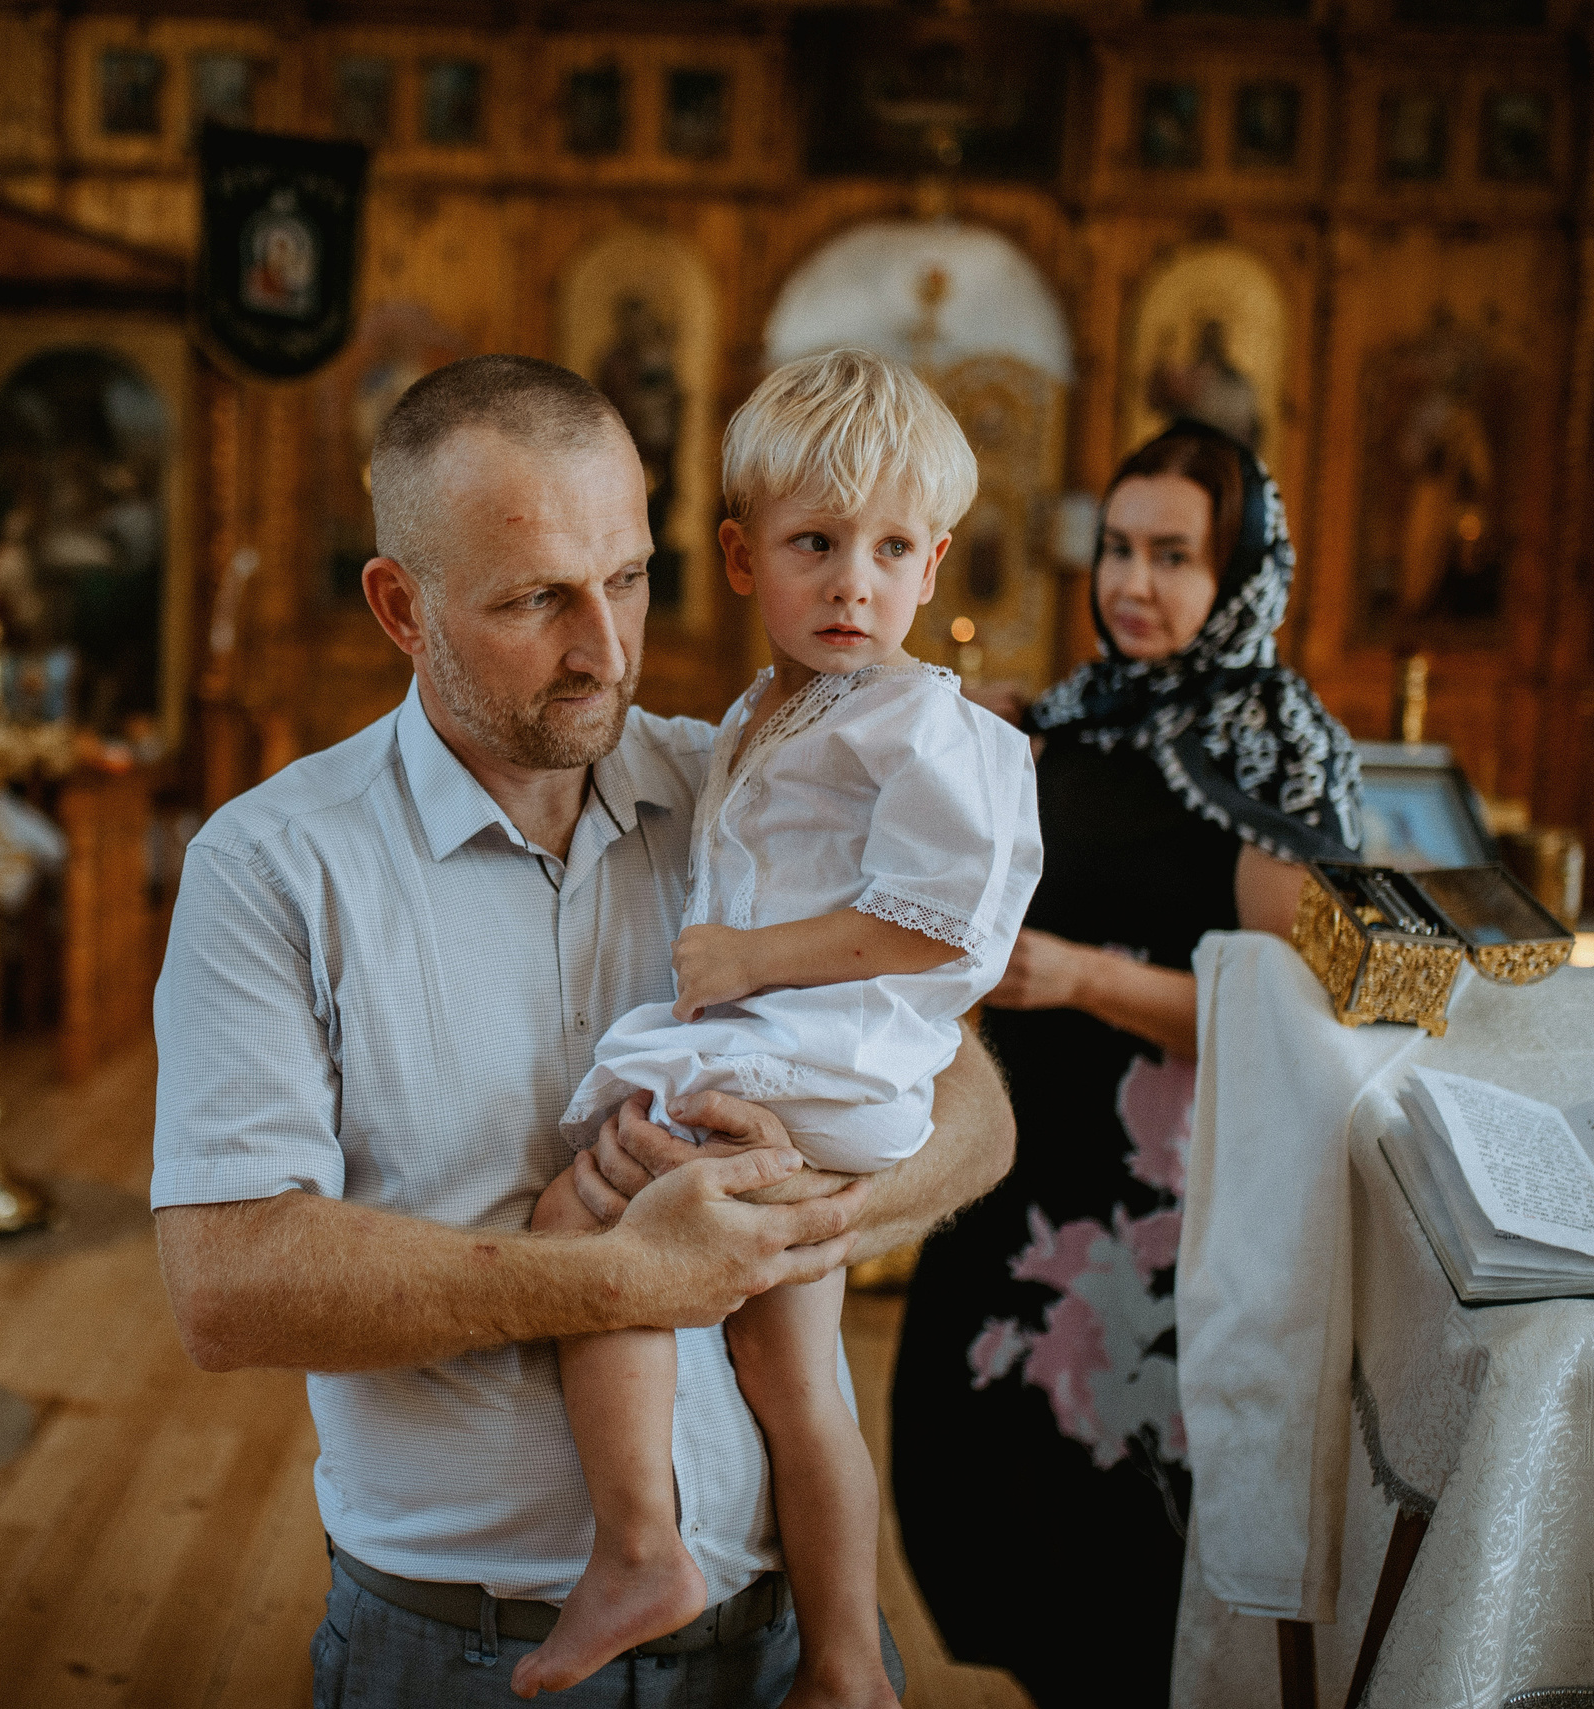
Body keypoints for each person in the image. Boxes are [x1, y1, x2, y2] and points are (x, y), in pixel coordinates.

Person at [152, 353, 1018, 1708]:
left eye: (625, 577)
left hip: (786, 1628)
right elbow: (225, 1283)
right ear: (401, 605)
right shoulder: (274, 868)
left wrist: (792, 1209)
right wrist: (624, 1277)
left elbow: (974, 1100)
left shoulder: (737, 787)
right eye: (537, 598)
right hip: (467, 1655)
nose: (606, 649)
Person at [519, 350, 1040, 1705]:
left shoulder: (925, 724)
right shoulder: (774, 709)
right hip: (796, 1054)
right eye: (818, 544)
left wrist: (756, 954)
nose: (854, 581)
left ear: (935, 562)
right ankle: (846, 1662)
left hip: (816, 1055)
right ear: (745, 559)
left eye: (890, 548)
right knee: (792, 1364)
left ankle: (639, 1546)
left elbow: (950, 927)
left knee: (582, 1225)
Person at [889, 419, 1362, 1708]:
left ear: (1242, 575)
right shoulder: (1083, 712)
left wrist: (1084, 978)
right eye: (1116, 550)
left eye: (1174, 557)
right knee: (987, 1483)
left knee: (1123, 1554)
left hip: (1166, 1208)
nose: (1133, 585)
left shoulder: (1276, 745)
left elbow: (1306, 1006)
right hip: (1024, 1158)